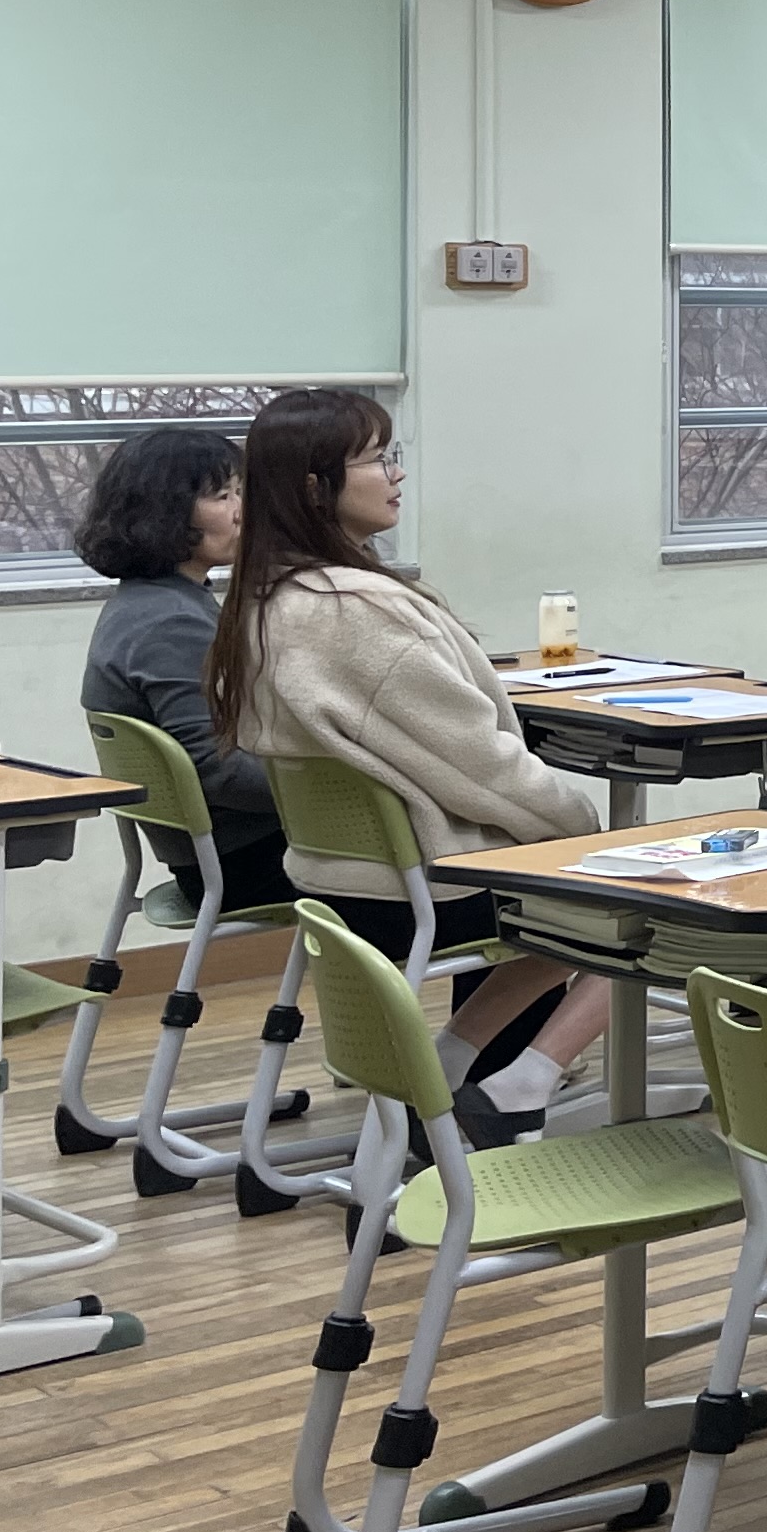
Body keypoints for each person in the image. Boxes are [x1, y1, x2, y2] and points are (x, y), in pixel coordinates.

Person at [204, 390, 609, 1145]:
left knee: (604, 891)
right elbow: (479, 766)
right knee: (660, 899)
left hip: (339, 884)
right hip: (419, 888)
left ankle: (451, 1060)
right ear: (317, 487)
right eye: (376, 459)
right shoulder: (350, 613)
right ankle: (526, 1082)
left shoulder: (266, 599)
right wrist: (581, 833)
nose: (395, 475)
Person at [74, 425, 290, 921]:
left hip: (223, 854)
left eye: (241, 492)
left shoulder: (147, 602)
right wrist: (336, 789)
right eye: (221, 496)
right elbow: (222, 771)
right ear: (164, 513)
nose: (242, 510)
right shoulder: (170, 622)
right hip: (243, 863)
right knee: (479, 871)